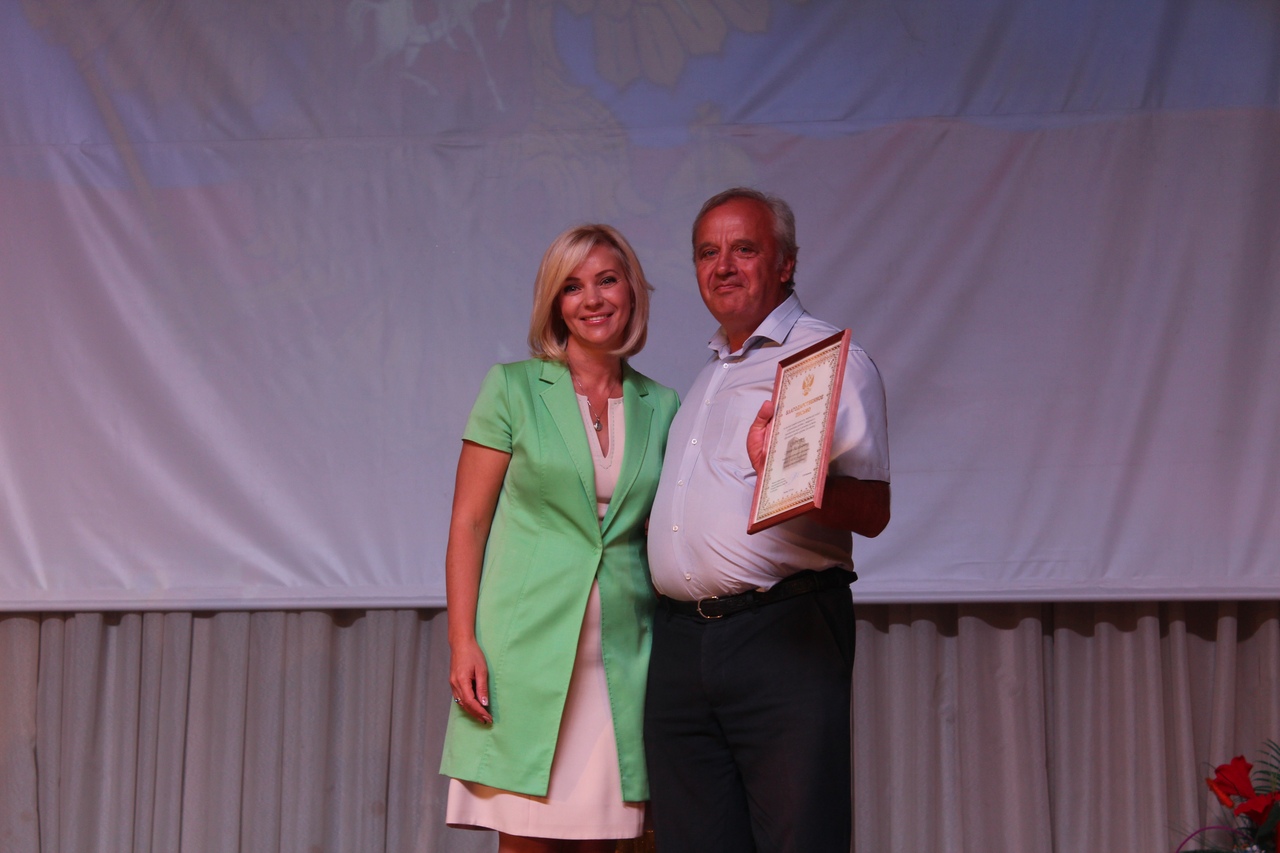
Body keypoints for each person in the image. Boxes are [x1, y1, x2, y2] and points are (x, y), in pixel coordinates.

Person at [644, 188, 891, 852]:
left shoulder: (825, 359)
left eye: (744, 248)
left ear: (785, 263)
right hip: (679, 645)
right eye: (707, 252)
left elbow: (872, 510)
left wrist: (796, 478)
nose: (723, 265)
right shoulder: (707, 378)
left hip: (781, 634)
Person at [439, 224, 679, 853]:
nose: (592, 299)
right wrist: (463, 640)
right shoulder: (512, 388)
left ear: (631, 290)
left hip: (624, 664)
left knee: (602, 841)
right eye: (572, 287)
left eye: (607, 280)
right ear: (554, 303)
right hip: (524, 657)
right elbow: (468, 523)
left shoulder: (664, 405)